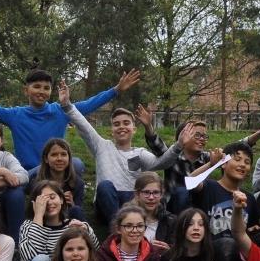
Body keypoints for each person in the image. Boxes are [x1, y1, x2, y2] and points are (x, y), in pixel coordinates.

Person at [0, 65, 140, 171]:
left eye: (46, 88)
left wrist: (115, 90)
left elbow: (90, 104)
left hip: (56, 169)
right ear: (26, 90)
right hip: (30, 174)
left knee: (77, 165)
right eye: (37, 86)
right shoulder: (15, 115)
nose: (42, 91)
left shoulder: (62, 111)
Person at [57, 80, 187, 228]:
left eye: (126, 123)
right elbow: (83, 125)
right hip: (107, 201)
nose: (121, 127)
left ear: (134, 129)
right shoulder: (102, 146)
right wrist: (67, 104)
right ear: (111, 129)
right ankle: (118, 231)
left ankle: (132, 228)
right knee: (105, 186)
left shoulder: (140, 154)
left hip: (133, 204)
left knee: (143, 192)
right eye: (116, 124)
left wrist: (179, 145)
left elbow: (162, 162)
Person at [139, 108, 260, 212]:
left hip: (200, 209)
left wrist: (259, 134)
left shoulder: (207, 158)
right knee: (182, 191)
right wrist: (148, 126)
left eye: (204, 137)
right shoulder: (172, 156)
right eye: (197, 135)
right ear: (182, 137)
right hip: (173, 209)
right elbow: (155, 143)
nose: (202, 140)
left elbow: (234, 149)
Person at [14, 180, 98, 261]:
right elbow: (29, 258)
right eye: (43, 199)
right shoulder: (28, 226)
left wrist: (86, 230)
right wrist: (38, 218)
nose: (49, 202)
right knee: (41, 260)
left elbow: (94, 254)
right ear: (35, 204)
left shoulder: (72, 226)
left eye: (52, 197)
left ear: (62, 200)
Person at [27, 138, 85, 220]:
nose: (59, 158)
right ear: (46, 159)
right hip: (45, 225)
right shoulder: (36, 183)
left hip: (69, 227)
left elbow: (78, 212)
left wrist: (72, 204)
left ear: (69, 158)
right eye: (54, 155)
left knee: (76, 210)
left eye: (63, 154)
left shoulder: (78, 183)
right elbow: (31, 214)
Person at [130, 173, 175, 249]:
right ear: (137, 194)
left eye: (156, 192)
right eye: (146, 192)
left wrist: (168, 252)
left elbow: (177, 253)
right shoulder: (126, 220)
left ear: (161, 195)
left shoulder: (171, 221)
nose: (151, 197)